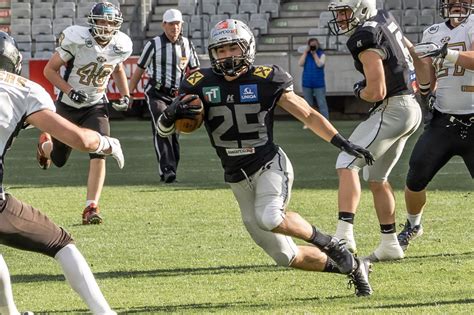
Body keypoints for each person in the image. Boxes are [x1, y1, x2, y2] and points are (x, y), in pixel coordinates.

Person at [158, 19, 375, 296]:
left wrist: (342, 142)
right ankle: (355, 267)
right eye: (220, 51)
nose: (227, 56)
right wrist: (169, 115)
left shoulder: (266, 78)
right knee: (286, 256)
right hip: (236, 178)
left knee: (270, 216)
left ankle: (332, 244)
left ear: (247, 48)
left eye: (233, 49)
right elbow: (169, 131)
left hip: (269, 165)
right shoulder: (198, 82)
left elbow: (306, 113)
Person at [0, 31, 120, 315]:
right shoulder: (24, 90)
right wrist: (106, 143)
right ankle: (105, 313)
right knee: (61, 243)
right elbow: (80, 140)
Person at [327, 0, 422, 261]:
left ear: (360, 7)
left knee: (347, 162)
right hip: (411, 107)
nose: (342, 19)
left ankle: (344, 236)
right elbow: (414, 54)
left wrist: (360, 91)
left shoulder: (364, 36)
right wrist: (425, 85)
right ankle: (390, 243)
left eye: (345, 12)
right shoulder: (383, 18)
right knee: (377, 178)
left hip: (393, 107)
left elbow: (376, 91)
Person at [38, 1, 132, 225]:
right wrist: (70, 91)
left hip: (96, 105)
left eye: (111, 22)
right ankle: (45, 146)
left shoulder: (120, 45)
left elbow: (118, 68)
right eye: (102, 21)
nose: (106, 26)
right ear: (92, 22)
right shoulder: (77, 39)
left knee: (100, 151)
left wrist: (125, 94)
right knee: (59, 159)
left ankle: (91, 206)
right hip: (68, 105)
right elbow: (49, 70)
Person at [397, 0, 474, 251]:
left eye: (462, 1)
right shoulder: (432, 32)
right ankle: (413, 225)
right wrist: (425, 88)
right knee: (416, 175)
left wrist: (446, 53)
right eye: (451, 1)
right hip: (443, 121)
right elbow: (426, 71)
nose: (456, 5)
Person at [128, 8, 200, 183]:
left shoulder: (187, 44)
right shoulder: (153, 44)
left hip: (178, 95)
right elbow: (139, 69)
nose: (175, 27)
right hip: (156, 92)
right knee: (162, 126)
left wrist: (198, 93)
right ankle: (167, 170)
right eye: (171, 24)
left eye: (177, 24)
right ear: (164, 25)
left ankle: (171, 168)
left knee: (175, 131)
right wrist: (128, 93)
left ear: (182, 25)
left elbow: (195, 70)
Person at [298, 38, 329, 121]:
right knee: (308, 105)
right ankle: (309, 122)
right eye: (311, 45)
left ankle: (325, 121)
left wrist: (314, 54)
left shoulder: (321, 54)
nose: (313, 47)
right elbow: (300, 63)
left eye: (314, 45)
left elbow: (319, 64)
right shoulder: (306, 55)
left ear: (318, 45)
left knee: (322, 103)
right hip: (307, 82)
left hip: (319, 83)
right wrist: (305, 52)